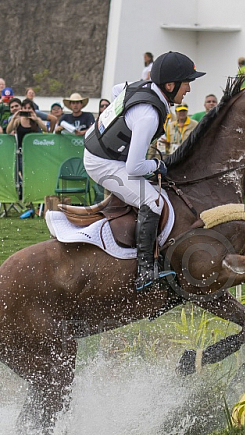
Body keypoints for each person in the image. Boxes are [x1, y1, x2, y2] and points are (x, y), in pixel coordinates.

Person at [84, 51, 204, 291]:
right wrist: (157, 165)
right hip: (103, 163)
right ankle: (145, 270)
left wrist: (119, 122)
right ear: (170, 85)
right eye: (186, 83)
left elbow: (117, 90)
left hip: (101, 148)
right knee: (153, 201)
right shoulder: (148, 115)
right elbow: (134, 166)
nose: (189, 89)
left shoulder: (145, 87)